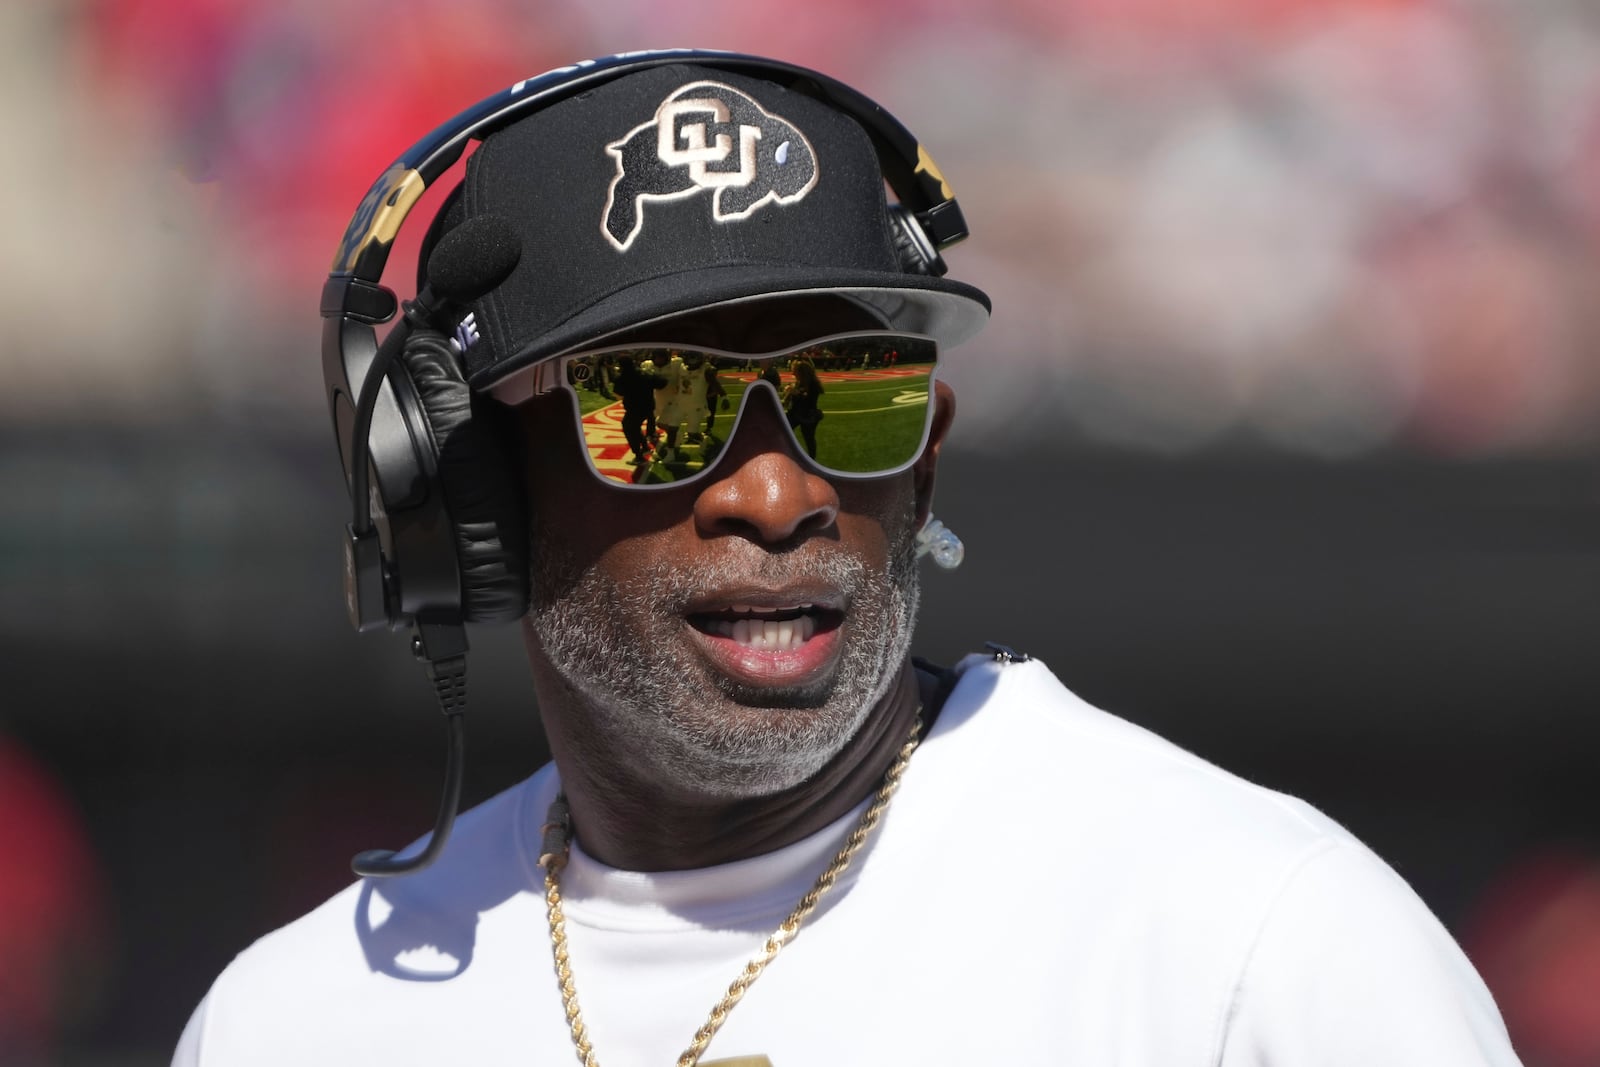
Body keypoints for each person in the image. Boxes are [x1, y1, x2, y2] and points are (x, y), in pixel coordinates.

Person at [174, 54, 1523, 1066]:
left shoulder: (1255, 946)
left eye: (854, 396)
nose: (778, 491)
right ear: (468, 484)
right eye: (662, 407)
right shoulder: (298, 1022)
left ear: (926, 452)